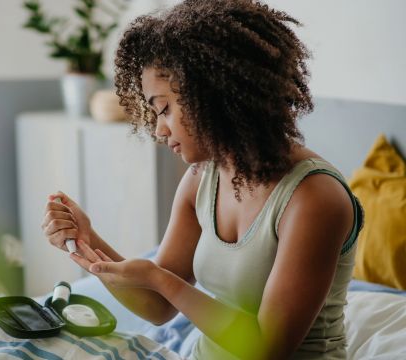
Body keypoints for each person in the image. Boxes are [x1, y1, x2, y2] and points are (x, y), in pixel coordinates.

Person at [41, 1, 363, 359]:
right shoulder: (201, 180)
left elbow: (267, 348)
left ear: (210, 95)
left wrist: (161, 279)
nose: (159, 130)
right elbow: (158, 307)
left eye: (164, 109)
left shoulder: (314, 197)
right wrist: (89, 243)